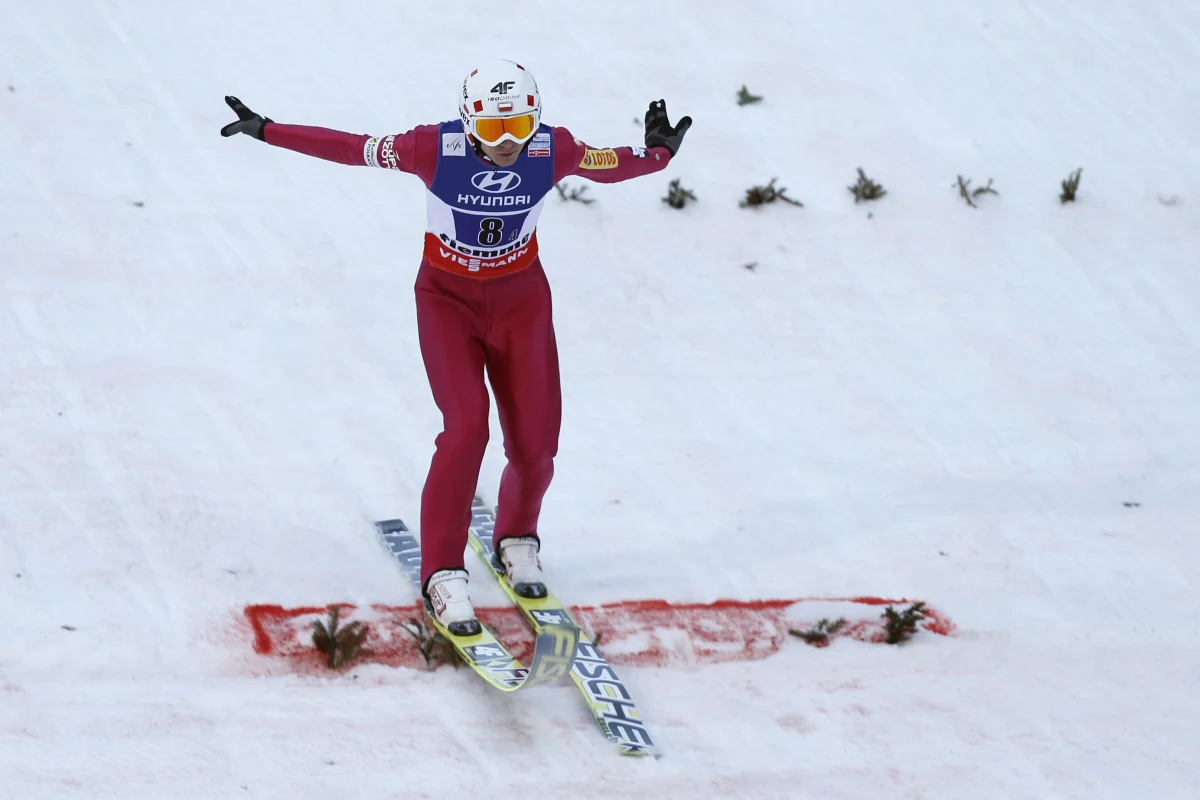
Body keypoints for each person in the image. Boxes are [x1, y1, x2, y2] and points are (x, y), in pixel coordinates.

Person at [221, 59, 691, 636]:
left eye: (519, 126)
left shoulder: (552, 149)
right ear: (469, 125)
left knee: (538, 443)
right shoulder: (431, 149)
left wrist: (659, 154)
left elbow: (610, 165)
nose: (508, 144)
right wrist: (269, 129)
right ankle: (443, 574)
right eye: (493, 131)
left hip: (522, 302)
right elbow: (352, 147)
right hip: (448, 301)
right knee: (467, 427)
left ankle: (517, 537)